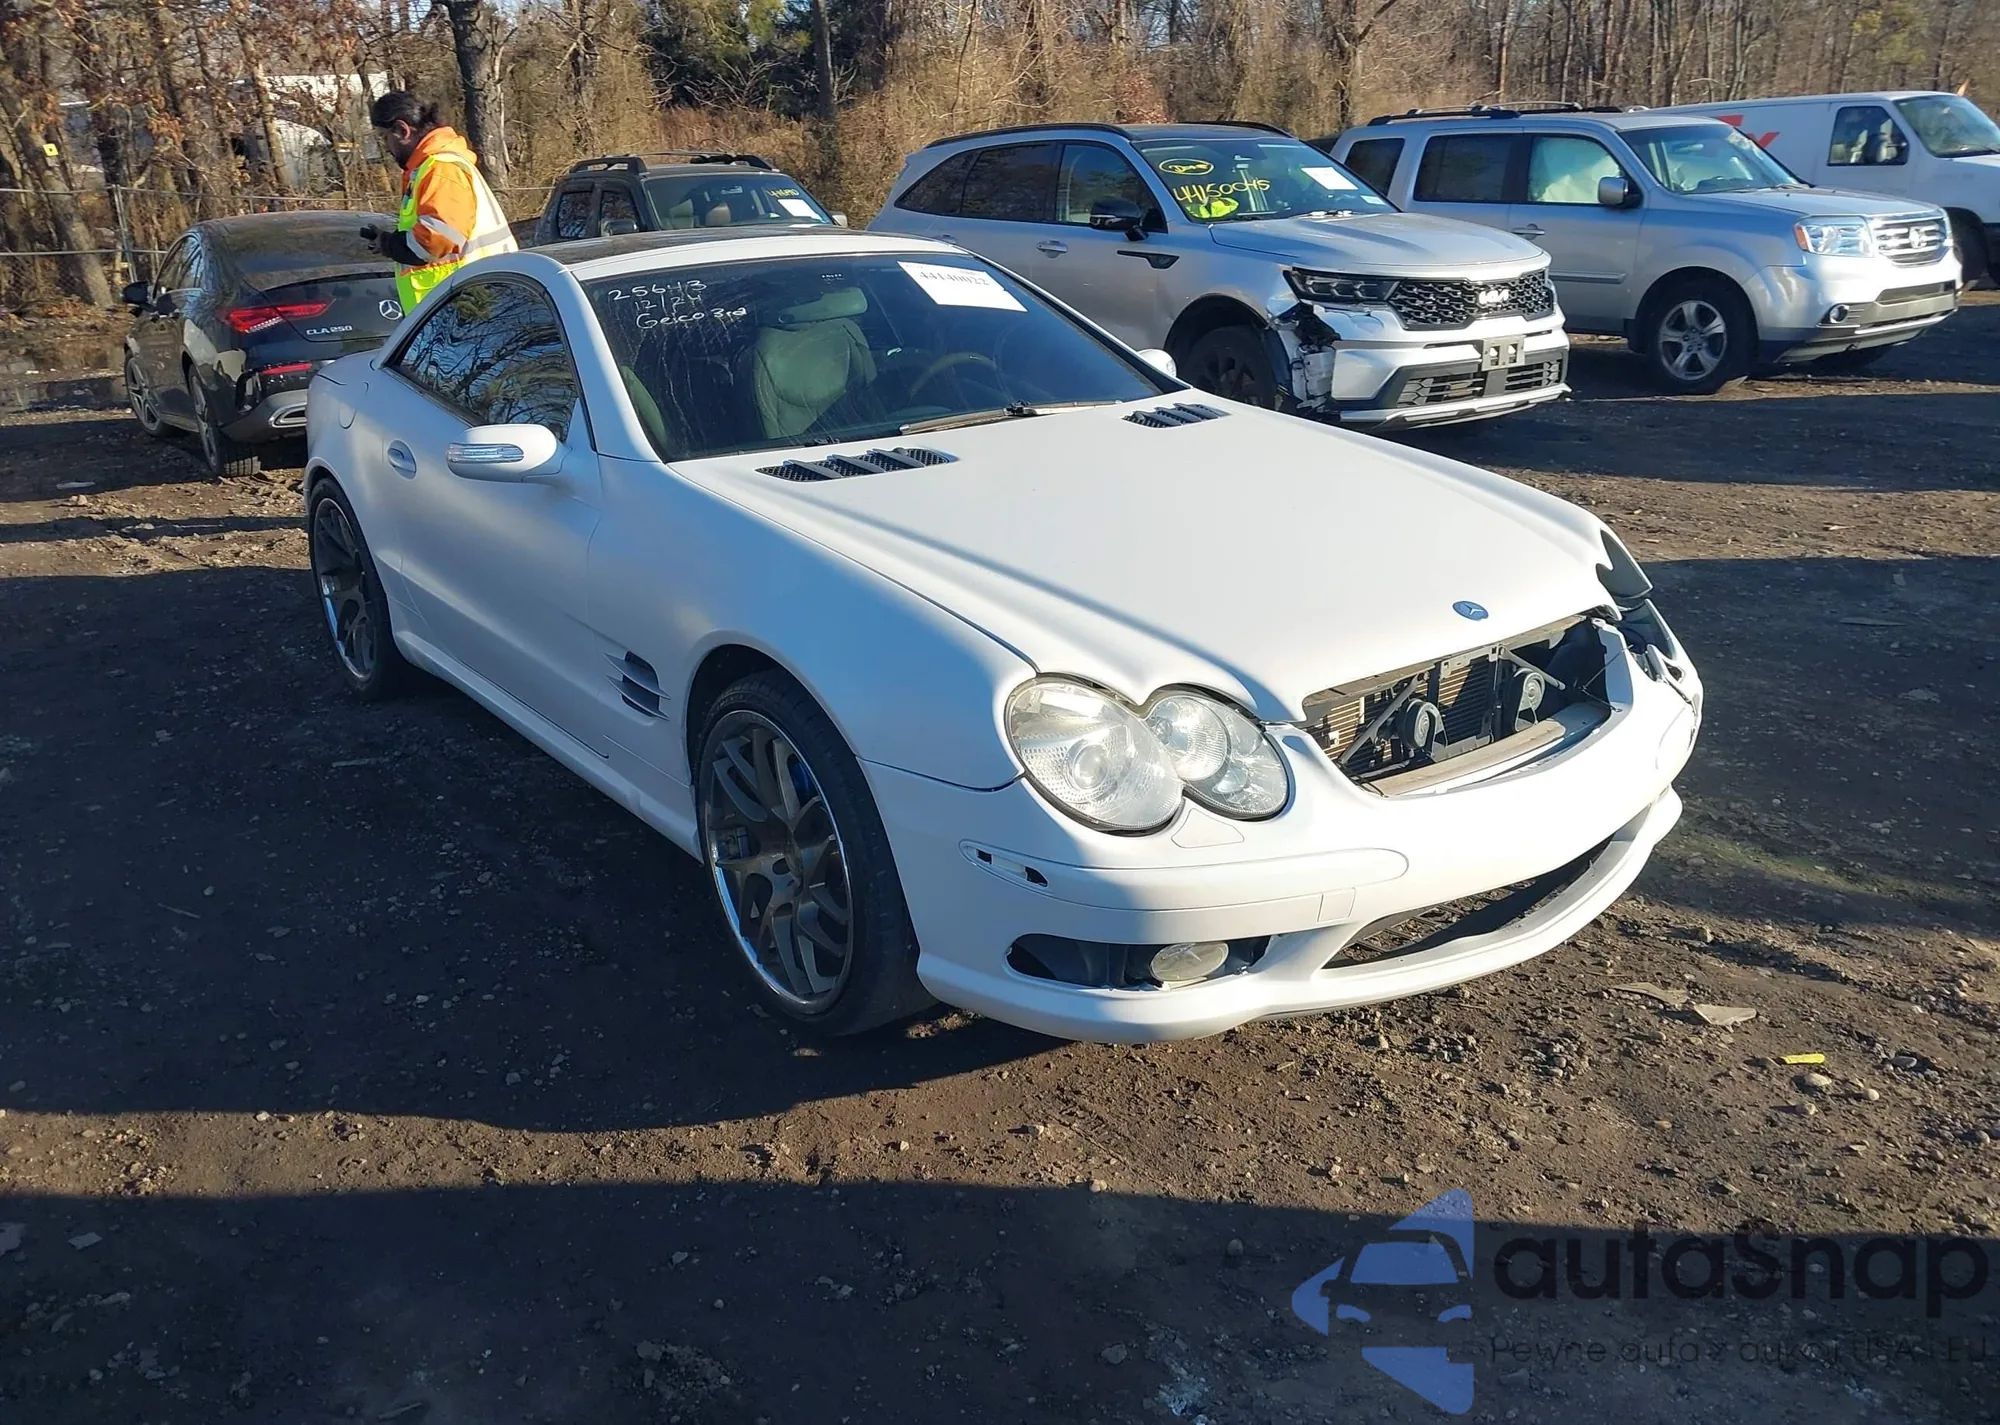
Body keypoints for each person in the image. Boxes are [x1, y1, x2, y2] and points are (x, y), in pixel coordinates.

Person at [361, 91, 515, 311]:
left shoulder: (440, 168)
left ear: (403, 130)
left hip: (467, 303)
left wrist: (388, 244)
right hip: (468, 299)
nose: (386, 147)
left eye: (385, 137)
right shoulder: (433, 167)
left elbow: (435, 240)